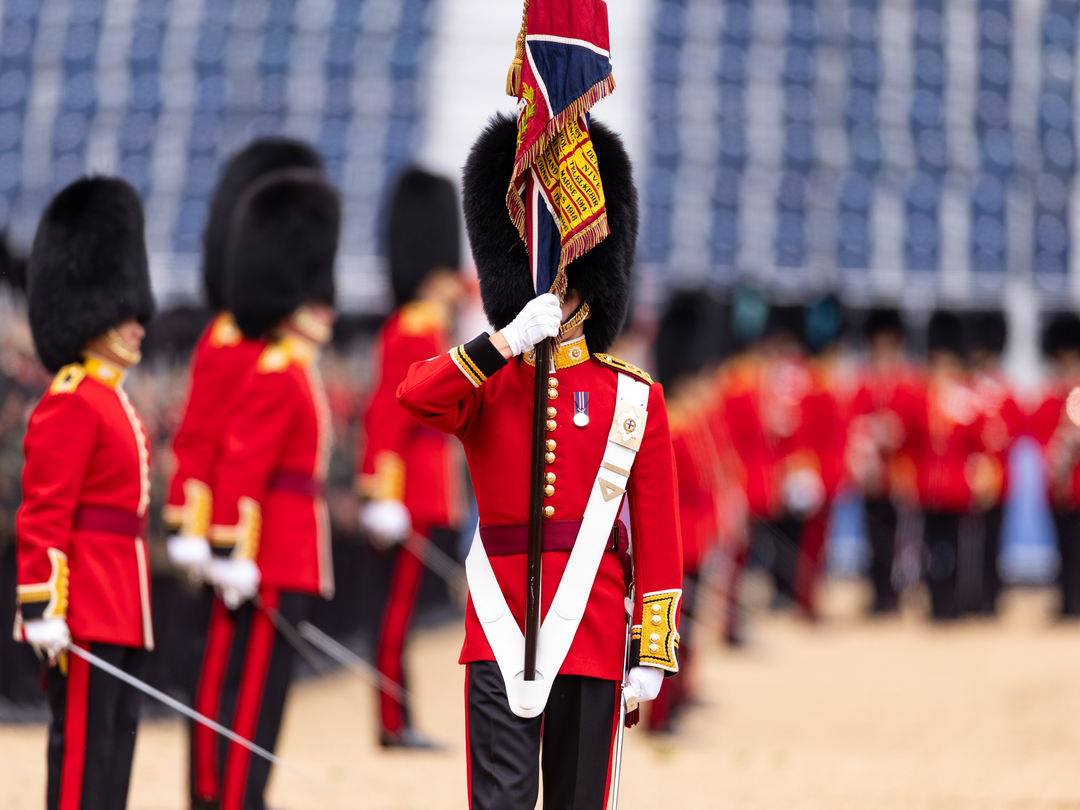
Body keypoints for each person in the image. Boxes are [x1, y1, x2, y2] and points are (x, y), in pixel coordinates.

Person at [398, 114, 683, 810]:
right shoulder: (490, 377)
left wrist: (652, 648)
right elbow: (415, 396)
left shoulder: (634, 398)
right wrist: (503, 340)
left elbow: (658, 536)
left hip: (589, 630)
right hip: (498, 623)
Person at [161, 138, 325, 810]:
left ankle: (230, 794)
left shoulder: (280, 352)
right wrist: (209, 534)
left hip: (275, 544)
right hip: (251, 545)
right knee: (230, 683)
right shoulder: (237, 345)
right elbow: (210, 443)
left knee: (250, 688)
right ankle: (217, 795)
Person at [15, 176, 156, 810]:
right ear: (91, 311)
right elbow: (44, 513)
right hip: (85, 607)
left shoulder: (110, 398)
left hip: (121, 601)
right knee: (78, 757)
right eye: (124, 312)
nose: (138, 325)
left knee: (111, 752)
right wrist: (44, 607)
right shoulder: (73, 399)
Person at [205, 169, 340, 810]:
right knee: (254, 693)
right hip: (271, 553)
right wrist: (234, 550)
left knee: (270, 696)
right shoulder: (279, 369)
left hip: (292, 549)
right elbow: (241, 465)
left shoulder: (295, 368)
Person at [356, 167, 464, 747]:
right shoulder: (412, 330)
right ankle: (392, 724)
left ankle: (398, 719)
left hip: (424, 486)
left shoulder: (428, 326)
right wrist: (383, 493)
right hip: (407, 490)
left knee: (403, 614)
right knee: (393, 615)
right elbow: (386, 417)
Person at [647, 291, 716, 732]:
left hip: (699, 534)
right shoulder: (675, 422)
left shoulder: (693, 418)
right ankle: (662, 712)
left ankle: (680, 694)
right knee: (674, 629)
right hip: (681, 539)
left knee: (690, 628)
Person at [846, 308, 921, 614]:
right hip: (870, 474)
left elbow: (917, 426)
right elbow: (851, 420)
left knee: (900, 537)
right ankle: (878, 593)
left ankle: (895, 592)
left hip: (899, 471)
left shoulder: (908, 381)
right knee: (873, 535)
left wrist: (894, 431)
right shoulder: (864, 381)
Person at [912, 311, 983, 621]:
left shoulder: (965, 398)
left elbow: (978, 440)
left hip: (956, 487)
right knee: (931, 550)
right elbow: (912, 439)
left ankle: (955, 602)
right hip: (929, 487)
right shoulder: (921, 396)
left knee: (956, 549)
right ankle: (935, 603)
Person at [964, 310, 1020, 615]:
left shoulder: (1003, 389)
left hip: (996, 476)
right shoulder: (964, 388)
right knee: (967, 542)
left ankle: (989, 598)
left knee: (992, 541)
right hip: (967, 475)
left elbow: (1016, 428)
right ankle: (967, 595)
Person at [1030, 313, 1080, 617]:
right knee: (1062, 545)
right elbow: (1039, 431)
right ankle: (1067, 598)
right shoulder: (1051, 393)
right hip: (1058, 483)